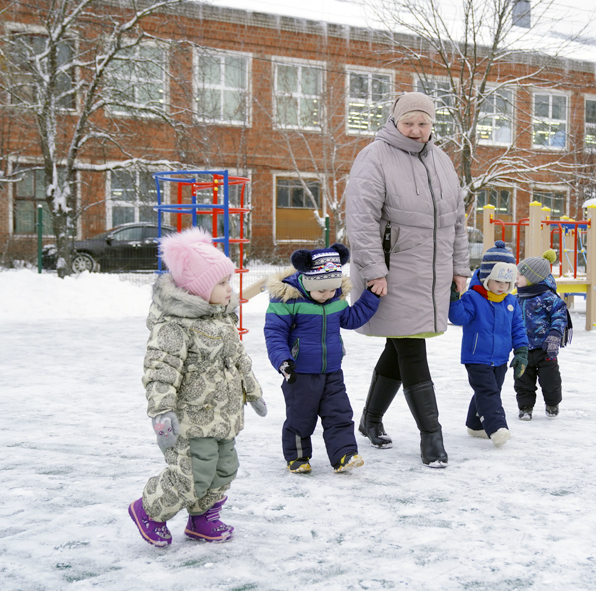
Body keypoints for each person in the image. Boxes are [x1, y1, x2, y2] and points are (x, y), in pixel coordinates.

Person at [345, 91, 471, 468]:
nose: (416, 130)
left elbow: (457, 220)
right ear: (395, 121)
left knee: (401, 346)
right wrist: (373, 270)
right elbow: (362, 219)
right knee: (411, 348)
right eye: (408, 123)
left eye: (423, 123)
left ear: (433, 125)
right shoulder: (375, 156)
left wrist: (460, 267)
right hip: (393, 272)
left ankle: (369, 419)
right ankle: (432, 437)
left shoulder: (442, 160)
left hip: (431, 274)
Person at [129, 228, 266, 548]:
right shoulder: (173, 325)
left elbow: (238, 358)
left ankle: (203, 519)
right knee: (193, 472)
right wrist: (162, 414)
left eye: (229, 281)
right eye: (222, 283)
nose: (230, 289)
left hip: (224, 414)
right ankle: (148, 509)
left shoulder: (221, 317)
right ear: (198, 288)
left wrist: (254, 390)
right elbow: (160, 370)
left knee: (225, 468)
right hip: (189, 419)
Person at [264, 244, 380, 474]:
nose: (328, 295)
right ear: (307, 282)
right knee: (300, 418)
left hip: (332, 371)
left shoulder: (335, 298)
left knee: (339, 413)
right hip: (299, 373)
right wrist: (284, 362)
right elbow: (275, 334)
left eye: (332, 290)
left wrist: (371, 296)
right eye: (322, 291)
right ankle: (297, 457)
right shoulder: (287, 300)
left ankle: (344, 454)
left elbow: (351, 318)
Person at [448, 242, 529, 447]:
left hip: (500, 358)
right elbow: (459, 318)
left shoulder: (510, 302)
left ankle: (475, 425)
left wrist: (521, 351)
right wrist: (454, 299)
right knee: (488, 392)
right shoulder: (473, 298)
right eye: (498, 280)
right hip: (477, 357)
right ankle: (497, 427)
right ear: (486, 278)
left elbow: (518, 328)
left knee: (489, 390)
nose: (502, 286)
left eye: (507, 281)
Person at [514, 249, 570, 420]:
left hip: (545, 348)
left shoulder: (548, 297)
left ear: (532, 278)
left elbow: (560, 316)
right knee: (522, 379)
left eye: (519, 275)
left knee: (550, 380)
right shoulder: (517, 298)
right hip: (523, 348)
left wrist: (554, 335)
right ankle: (525, 407)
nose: (516, 279)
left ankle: (552, 403)